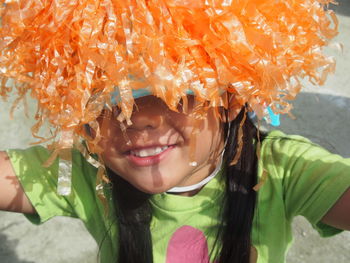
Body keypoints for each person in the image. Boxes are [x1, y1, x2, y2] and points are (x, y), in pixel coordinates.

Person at [0, 0, 349, 263]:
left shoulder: (283, 170)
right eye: (102, 99)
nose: (135, 119)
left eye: (174, 93)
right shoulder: (87, 174)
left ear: (231, 99)